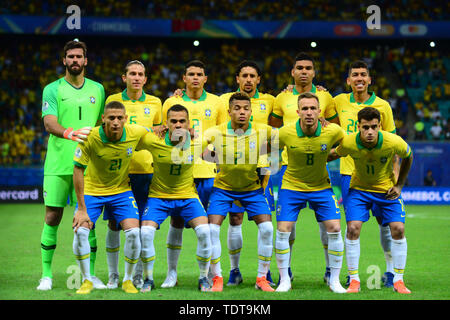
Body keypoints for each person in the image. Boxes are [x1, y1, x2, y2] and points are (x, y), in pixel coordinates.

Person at [38, 39, 105, 291]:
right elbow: (49, 123)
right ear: (64, 60)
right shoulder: (52, 89)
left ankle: (91, 276)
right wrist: (70, 133)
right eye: (70, 57)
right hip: (57, 164)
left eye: (79, 57)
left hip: (88, 165)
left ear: (85, 61)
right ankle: (46, 275)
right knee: (53, 216)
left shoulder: (98, 89)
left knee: (89, 220)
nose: (75, 60)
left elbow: (102, 123)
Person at [268, 52, 338, 285]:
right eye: (300, 68)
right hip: (291, 167)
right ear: (293, 72)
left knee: (326, 224)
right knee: (288, 227)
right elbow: (274, 128)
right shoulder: (282, 97)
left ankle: (331, 271)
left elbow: (335, 128)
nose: (304, 71)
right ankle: (285, 273)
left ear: (314, 73)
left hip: (317, 168)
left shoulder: (326, 97)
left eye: (308, 68)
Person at [329, 107, 413, 294]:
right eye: (365, 127)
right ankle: (354, 280)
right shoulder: (350, 141)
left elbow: (409, 156)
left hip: (386, 191)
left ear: (380, 126)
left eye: (374, 127)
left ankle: (399, 280)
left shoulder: (393, 142)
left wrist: (399, 185)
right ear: (358, 126)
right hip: (359, 190)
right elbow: (335, 154)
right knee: (352, 228)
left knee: (398, 229)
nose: (369, 132)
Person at [160, 60, 227, 288]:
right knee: (176, 223)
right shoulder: (171, 101)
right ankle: (171, 273)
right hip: (180, 173)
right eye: (191, 74)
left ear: (205, 78)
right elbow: (164, 136)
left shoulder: (216, 102)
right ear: (184, 78)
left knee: (208, 226)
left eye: (200, 74)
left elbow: (222, 138)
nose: (195, 77)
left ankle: (209, 274)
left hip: (207, 172)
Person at [332, 60, 398, 288]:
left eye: (363, 74)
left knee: (386, 224)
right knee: (352, 227)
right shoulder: (338, 101)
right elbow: (319, 114)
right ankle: (352, 276)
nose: (359, 78)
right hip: (349, 174)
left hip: (380, 177)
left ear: (369, 79)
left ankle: (390, 272)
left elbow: (394, 146)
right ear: (348, 80)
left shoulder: (383, 106)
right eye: (354, 75)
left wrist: (396, 181)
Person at [72, 101, 150, 294]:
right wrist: (81, 209)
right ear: (103, 119)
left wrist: (167, 129)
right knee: (80, 231)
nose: (115, 122)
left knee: (133, 233)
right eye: (111, 118)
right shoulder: (89, 137)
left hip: (121, 191)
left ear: (125, 119)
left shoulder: (135, 132)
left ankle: (128, 280)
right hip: (93, 191)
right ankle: (86, 280)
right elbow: (77, 169)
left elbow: (156, 132)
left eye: (119, 118)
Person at [203, 92, 278, 292]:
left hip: (252, 190)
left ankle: (262, 278)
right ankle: (217, 277)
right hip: (223, 189)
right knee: (211, 229)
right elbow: (198, 148)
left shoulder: (263, 130)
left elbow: (286, 134)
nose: (242, 112)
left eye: (246, 108)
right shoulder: (216, 132)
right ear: (229, 112)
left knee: (268, 229)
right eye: (237, 108)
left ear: (251, 111)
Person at [136, 104, 212, 292]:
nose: (178, 124)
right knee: (145, 233)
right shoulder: (153, 140)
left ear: (188, 124)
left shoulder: (198, 141)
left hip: (188, 197)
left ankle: (203, 277)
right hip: (158, 197)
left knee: (204, 231)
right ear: (166, 124)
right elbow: (130, 136)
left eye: (182, 121)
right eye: (173, 121)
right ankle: (148, 279)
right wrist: (149, 129)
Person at [275, 92, 346, 293]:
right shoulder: (285, 132)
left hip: (321, 187)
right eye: (304, 109)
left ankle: (334, 280)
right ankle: (284, 280)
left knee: (334, 228)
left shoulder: (332, 131)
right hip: (291, 186)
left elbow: (346, 144)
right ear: (297, 112)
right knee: (283, 229)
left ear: (319, 111)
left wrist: (329, 155)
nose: (308, 112)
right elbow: (270, 151)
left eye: (312, 108)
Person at [103, 60, 162, 289]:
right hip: (119, 174)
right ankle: (112, 274)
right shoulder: (113, 101)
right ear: (124, 77)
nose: (136, 77)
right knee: (113, 225)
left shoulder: (156, 102)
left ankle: (137, 274)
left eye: (140, 74)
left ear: (145, 79)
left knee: (140, 226)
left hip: (146, 172)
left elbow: (158, 134)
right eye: (132, 74)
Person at [219, 60, 276, 286]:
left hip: (262, 169)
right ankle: (235, 270)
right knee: (235, 219)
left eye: (253, 76)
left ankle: (266, 271)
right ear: (237, 79)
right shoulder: (224, 100)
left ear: (258, 79)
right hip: (234, 167)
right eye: (244, 76)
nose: (248, 80)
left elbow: (277, 130)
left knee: (265, 220)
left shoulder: (270, 101)